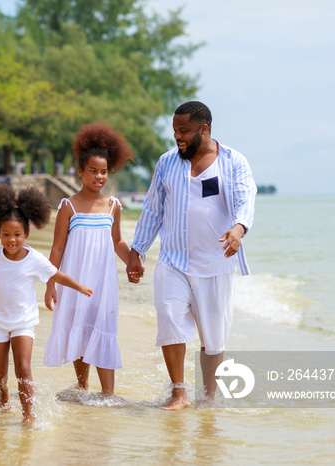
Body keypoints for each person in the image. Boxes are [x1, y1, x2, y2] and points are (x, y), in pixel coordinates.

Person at [126, 101, 257, 410]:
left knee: (213, 340)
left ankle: (208, 399)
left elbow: (245, 199)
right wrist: (137, 251)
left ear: (204, 129)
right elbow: (152, 210)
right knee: (169, 319)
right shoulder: (167, 162)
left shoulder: (233, 161)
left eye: (184, 131)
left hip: (215, 263)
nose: (177, 137)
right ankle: (179, 392)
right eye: (174, 131)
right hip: (173, 261)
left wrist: (238, 229)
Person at [0, 184, 92, 427]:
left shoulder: (34, 258)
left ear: (26, 233)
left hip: (23, 321)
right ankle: (4, 394)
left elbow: (56, 275)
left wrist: (79, 287)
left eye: (17, 234)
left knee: (23, 368)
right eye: (5, 234)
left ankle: (28, 414)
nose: (11, 240)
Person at [42, 122, 136, 399]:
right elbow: (58, 248)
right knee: (79, 326)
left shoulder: (113, 205)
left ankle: (108, 394)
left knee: (103, 326)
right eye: (92, 171)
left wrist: (133, 261)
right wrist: (51, 282)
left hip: (104, 281)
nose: (99, 176)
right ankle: (82, 386)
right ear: (80, 172)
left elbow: (117, 241)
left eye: (104, 171)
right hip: (75, 278)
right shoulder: (68, 206)